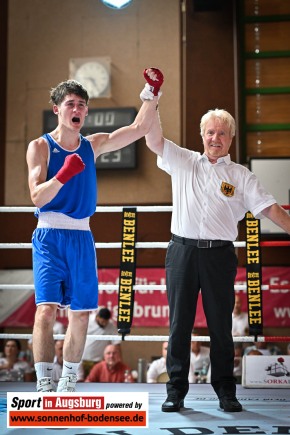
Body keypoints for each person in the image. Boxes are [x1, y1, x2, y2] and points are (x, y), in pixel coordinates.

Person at [140, 68, 290, 413]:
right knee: (179, 324)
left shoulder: (241, 176)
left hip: (220, 255)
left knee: (221, 325)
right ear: (201, 134)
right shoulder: (183, 160)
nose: (215, 137)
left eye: (222, 133)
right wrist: (152, 95)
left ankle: (226, 390)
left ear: (231, 138)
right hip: (181, 251)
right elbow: (152, 139)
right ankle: (175, 390)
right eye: (210, 132)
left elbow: (270, 210)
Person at [26, 72, 163, 393]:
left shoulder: (94, 144)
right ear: (57, 109)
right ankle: (45, 379)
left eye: (82, 105)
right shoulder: (39, 147)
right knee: (45, 311)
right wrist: (63, 174)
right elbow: (36, 196)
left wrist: (152, 92)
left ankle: (69, 379)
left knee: (82, 313)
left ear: (86, 112)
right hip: (48, 235)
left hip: (82, 237)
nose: (77, 108)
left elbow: (140, 128)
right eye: (70, 103)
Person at [82, 307, 120, 376]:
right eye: (102, 322)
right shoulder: (87, 321)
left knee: (98, 384)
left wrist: (119, 361)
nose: (105, 324)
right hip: (83, 359)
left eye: (106, 322)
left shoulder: (110, 325)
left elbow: (116, 343)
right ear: (97, 317)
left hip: (99, 361)